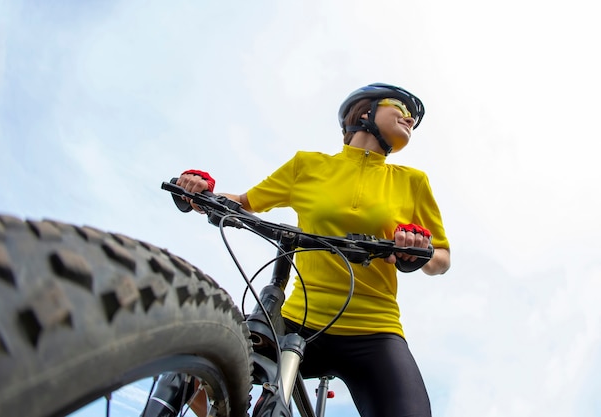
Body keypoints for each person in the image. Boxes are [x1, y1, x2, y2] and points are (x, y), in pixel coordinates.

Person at [177, 83, 450, 417]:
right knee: (196, 366)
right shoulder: (307, 166)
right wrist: (202, 192)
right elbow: (245, 203)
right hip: (299, 321)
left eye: (412, 117)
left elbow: (441, 259)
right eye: (400, 108)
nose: (409, 118)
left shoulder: (412, 181)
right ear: (365, 112)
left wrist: (417, 249)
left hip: (375, 330)